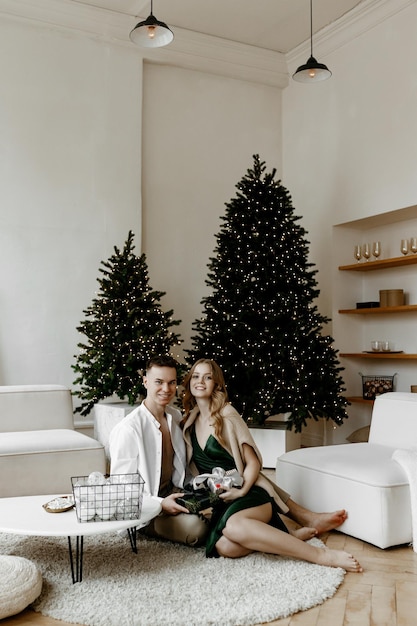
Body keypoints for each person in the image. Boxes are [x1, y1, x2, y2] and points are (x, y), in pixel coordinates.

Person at [181, 358, 363, 572]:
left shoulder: (227, 415)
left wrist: (241, 492)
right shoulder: (188, 423)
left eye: (208, 377)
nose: (200, 381)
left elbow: (253, 462)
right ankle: (281, 533)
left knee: (235, 527)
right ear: (189, 381)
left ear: (217, 385)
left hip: (249, 494)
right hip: (222, 500)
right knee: (225, 546)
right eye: (196, 376)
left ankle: (320, 555)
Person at [108, 354, 209, 546]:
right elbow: (121, 490)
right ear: (145, 382)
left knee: (224, 502)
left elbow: (182, 467)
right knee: (197, 529)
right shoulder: (128, 429)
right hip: (145, 511)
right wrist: (160, 503)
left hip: (175, 493)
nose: (166, 389)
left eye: (171, 383)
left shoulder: (175, 416)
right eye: (159, 382)